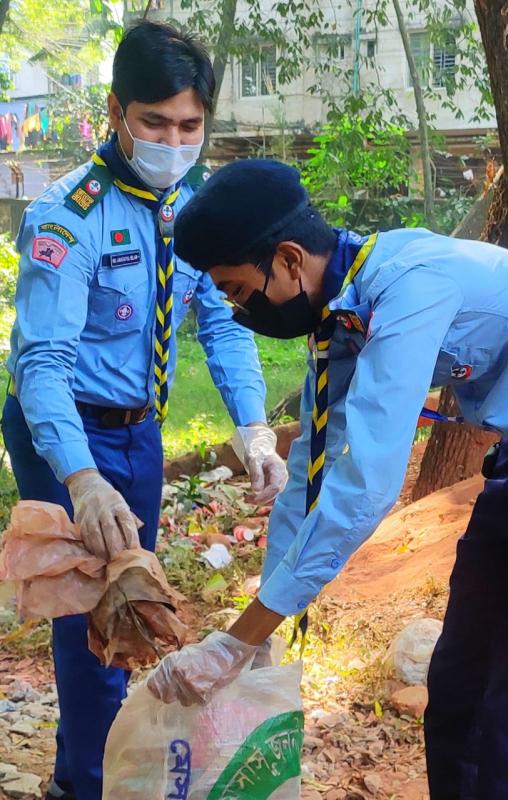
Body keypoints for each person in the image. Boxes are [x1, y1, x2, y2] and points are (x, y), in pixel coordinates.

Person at [147, 158, 508, 800]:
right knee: (458, 690)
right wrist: (250, 643)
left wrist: (240, 637)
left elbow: (367, 485)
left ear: (290, 259)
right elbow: (309, 475)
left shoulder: (410, 287)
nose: (241, 310)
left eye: (240, 290)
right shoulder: (341, 321)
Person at [2, 28, 287, 800]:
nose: (171, 141)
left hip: (140, 426)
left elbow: (224, 323)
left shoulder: (190, 215)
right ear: (115, 112)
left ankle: (106, 765)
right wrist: (83, 481)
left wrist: (252, 424)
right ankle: (84, 784)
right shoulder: (69, 219)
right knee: (100, 610)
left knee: (135, 598)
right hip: (63, 431)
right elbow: (42, 366)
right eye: (154, 123)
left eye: (188, 126)